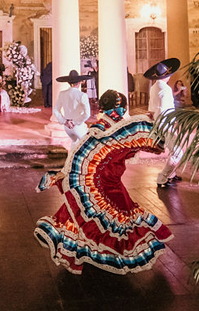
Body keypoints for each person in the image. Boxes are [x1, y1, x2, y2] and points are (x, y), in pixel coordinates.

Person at [35, 89, 171, 275]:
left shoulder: (102, 129)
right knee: (117, 219)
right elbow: (147, 143)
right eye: (123, 108)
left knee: (85, 217)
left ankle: (88, 252)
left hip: (96, 183)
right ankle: (112, 255)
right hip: (106, 185)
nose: (124, 111)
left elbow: (82, 157)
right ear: (119, 109)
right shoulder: (116, 130)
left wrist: (67, 174)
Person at [143, 58, 183, 187]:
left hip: (159, 122)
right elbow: (166, 110)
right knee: (177, 152)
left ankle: (171, 174)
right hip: (166, 124)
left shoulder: (154, 87)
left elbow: (151, 109)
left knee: (174, 150)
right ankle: (163, 177)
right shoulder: (165, 89)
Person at [53, 69, 92, 143]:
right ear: (79, 82)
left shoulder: (62, 93)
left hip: (67, 127)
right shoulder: (82, 95)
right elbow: (87, 114)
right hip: (77, 126)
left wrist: (64, 121)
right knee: (87, 146)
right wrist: (74, 122)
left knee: (74, 144)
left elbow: (56, 110)